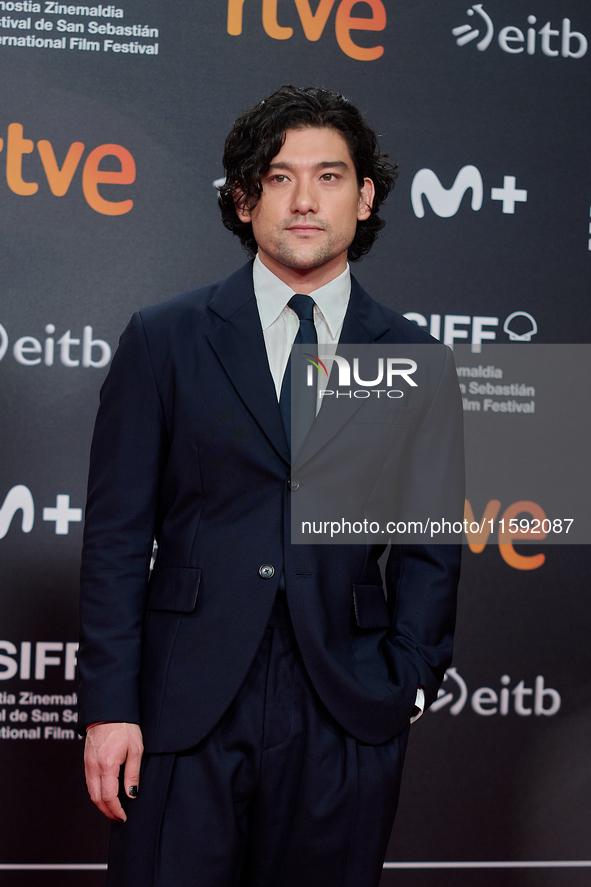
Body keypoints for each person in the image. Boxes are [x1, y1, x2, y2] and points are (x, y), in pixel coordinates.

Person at [78, 85, 463, 887]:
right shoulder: (165, 337)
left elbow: (433, 541)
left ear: (363, 198)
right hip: (183, 702)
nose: (302, 200)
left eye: (327, 177)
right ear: (244, 198)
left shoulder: (416, 357)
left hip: (346, 703)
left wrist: (407, 684)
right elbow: (115, 534)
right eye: (278, 177)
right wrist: (112, 705)